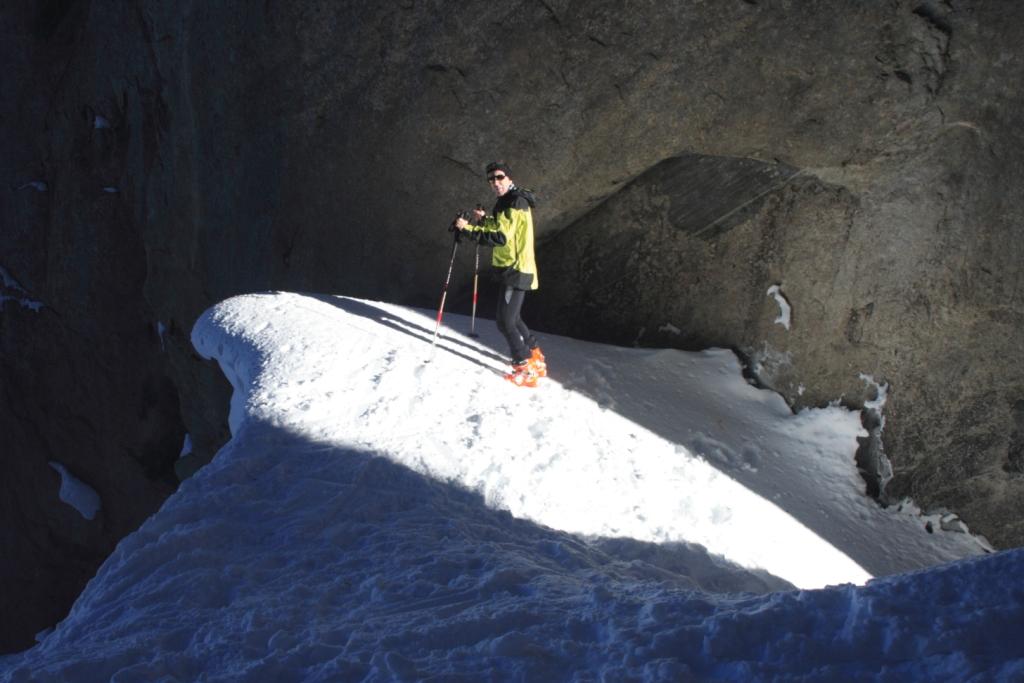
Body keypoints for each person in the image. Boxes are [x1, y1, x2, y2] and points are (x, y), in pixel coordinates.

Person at [453, 161, 547, 387]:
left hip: (515, 268)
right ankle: (535, 357)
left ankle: (524, 366)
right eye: (491, 179)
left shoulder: (514, 201)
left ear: (509, 178)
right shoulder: (509, 200)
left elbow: (501, 237)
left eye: (499, 177)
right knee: (512, 318)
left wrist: (466, 229)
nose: (495, 182)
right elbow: (505, 230)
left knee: (505, 322)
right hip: (516, 266)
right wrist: (484, 220)